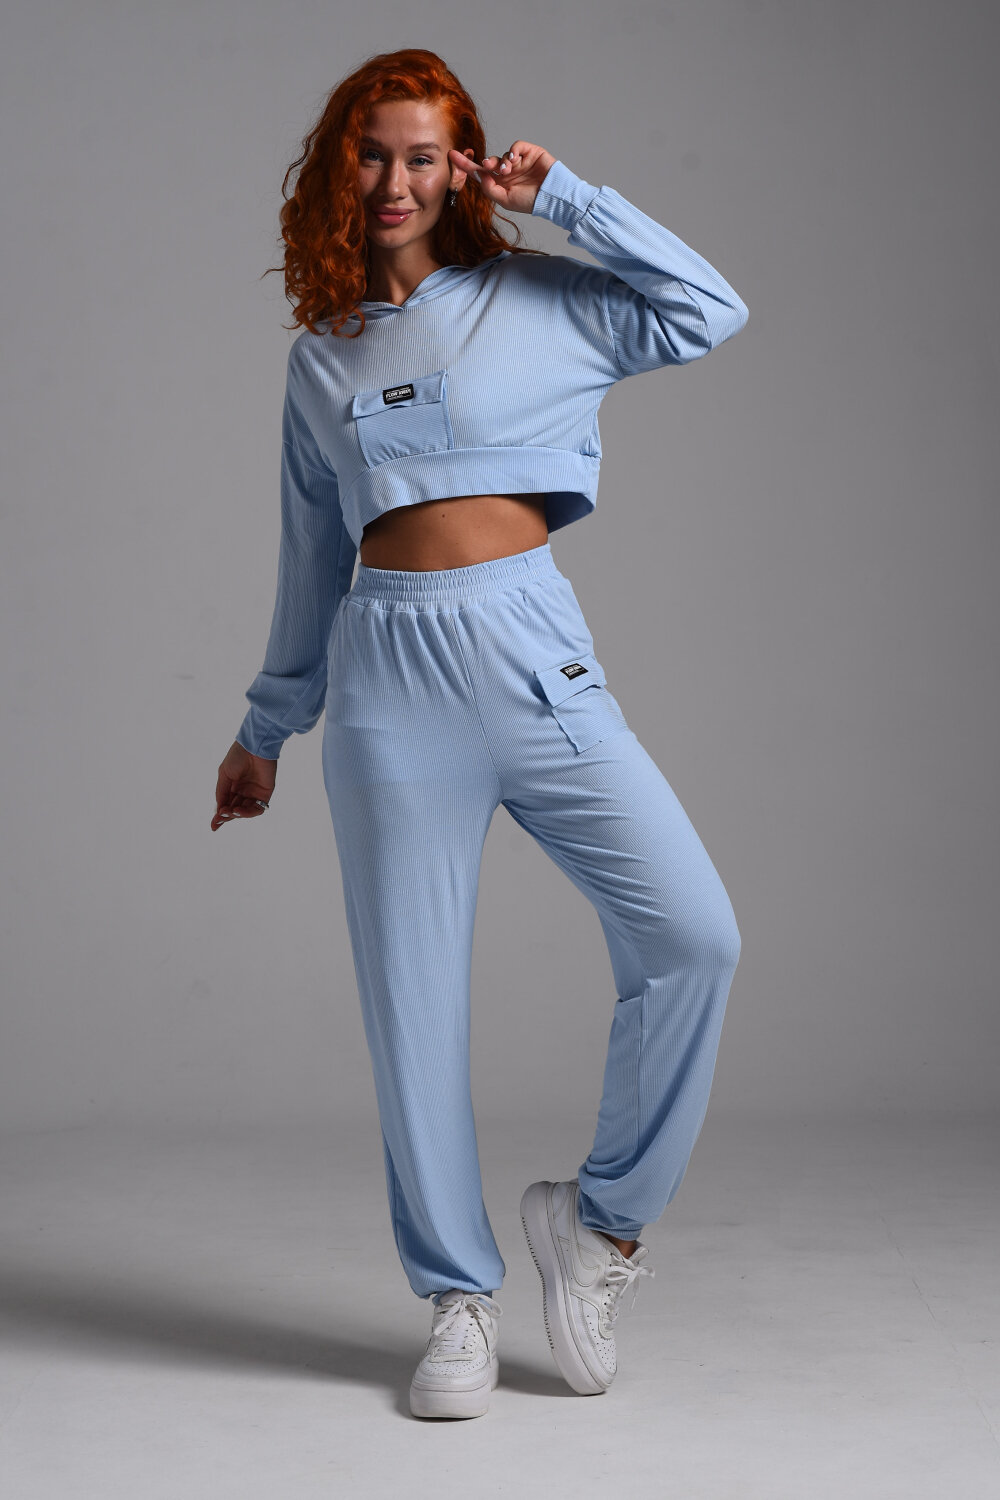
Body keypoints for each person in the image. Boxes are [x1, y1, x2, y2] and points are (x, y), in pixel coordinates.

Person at [211, 48, 747, 1421]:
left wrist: (567, 197)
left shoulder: (545, 298)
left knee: (693, 936)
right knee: (414, 1008)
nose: (394, 181)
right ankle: (457, 1298)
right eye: (371, 153)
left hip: (529, 653)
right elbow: (309, 556)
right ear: (341, 169)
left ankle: (600, 1229)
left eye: (422, 155)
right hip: (385, 678)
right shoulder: (320, 358)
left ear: (463, 168)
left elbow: (710, 308)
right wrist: (268, 728)